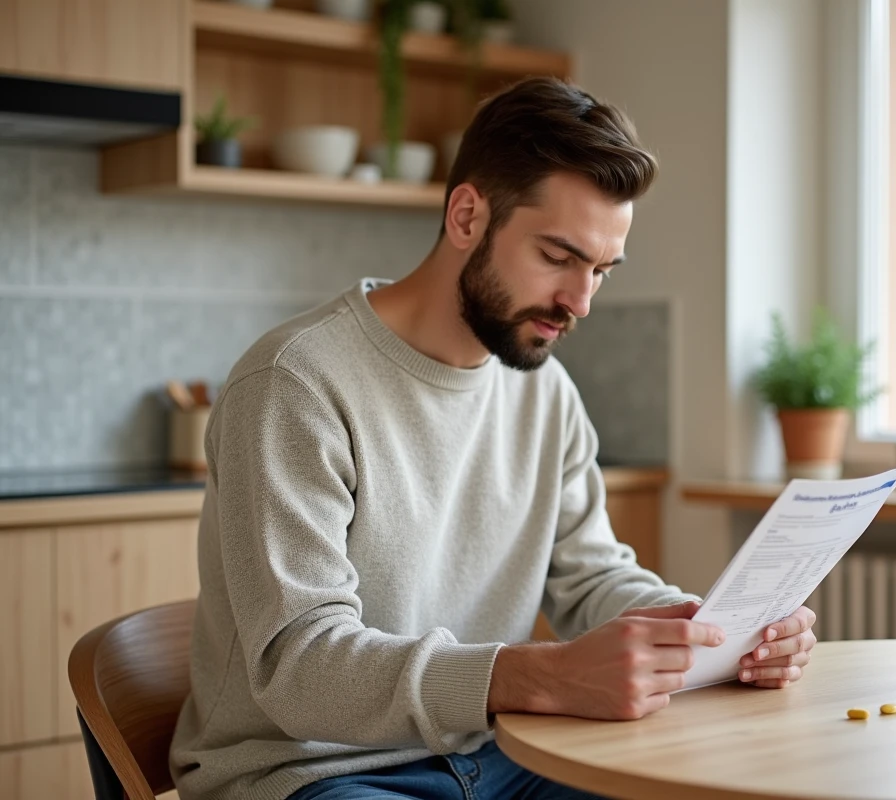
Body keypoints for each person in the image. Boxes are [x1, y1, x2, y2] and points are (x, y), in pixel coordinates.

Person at [169, 76, 817, 800]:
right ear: (468, 215)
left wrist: (712, 633)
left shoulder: (545, 392)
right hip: (314, 774)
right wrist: (539, 674)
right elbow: (300, 665)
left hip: (502, 754)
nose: (581, 302)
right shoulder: (295, 383)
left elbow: (593, 577)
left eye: (601, 270)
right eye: (558, 257)